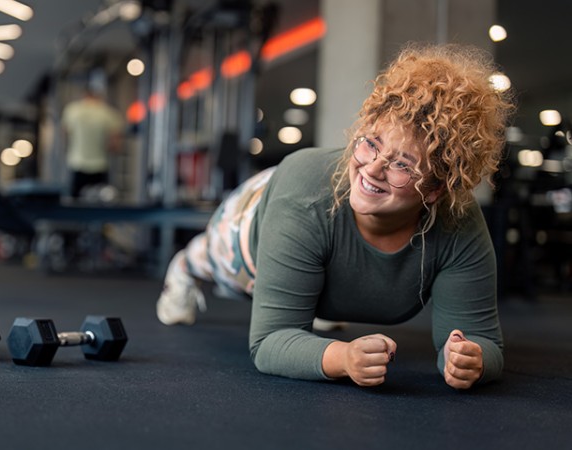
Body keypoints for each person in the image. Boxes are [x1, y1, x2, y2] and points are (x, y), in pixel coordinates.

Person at [155, 43, 515, 390]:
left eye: (403, 164)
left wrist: (471, 359)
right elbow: (268, 342)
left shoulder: (458, 220)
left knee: (311, 279)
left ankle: (314, 292)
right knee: (209, 259)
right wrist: (342, 357)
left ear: (436, 190)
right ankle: (183, 269)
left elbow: (482, 341)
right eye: (371, 143)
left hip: (316, 224)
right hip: (262, 210)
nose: (372, 169)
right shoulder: (304, 195)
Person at [61, 86, 125, 199]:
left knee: (75, 202)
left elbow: (65, 135)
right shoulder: (108, 112)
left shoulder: (72, 110)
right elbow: (115, 144)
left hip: (77, 162)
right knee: (100, 201)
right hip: (100, 164)